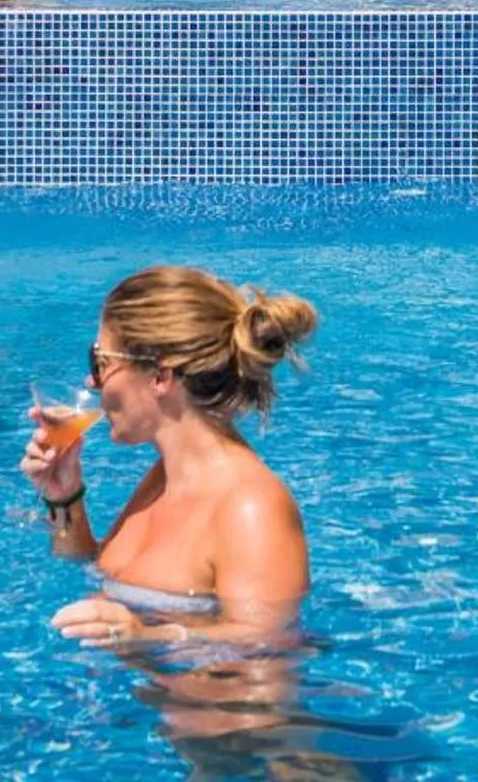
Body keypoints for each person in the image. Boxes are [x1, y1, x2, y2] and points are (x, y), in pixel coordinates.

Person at [20, 266, 320, 649]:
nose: (91, 382)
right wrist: (64, 497)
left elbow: (271, 650)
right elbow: (94, 570)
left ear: (160, 377)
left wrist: (149, 637)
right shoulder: (164, 478)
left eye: (100, 362)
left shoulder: (251, 508)